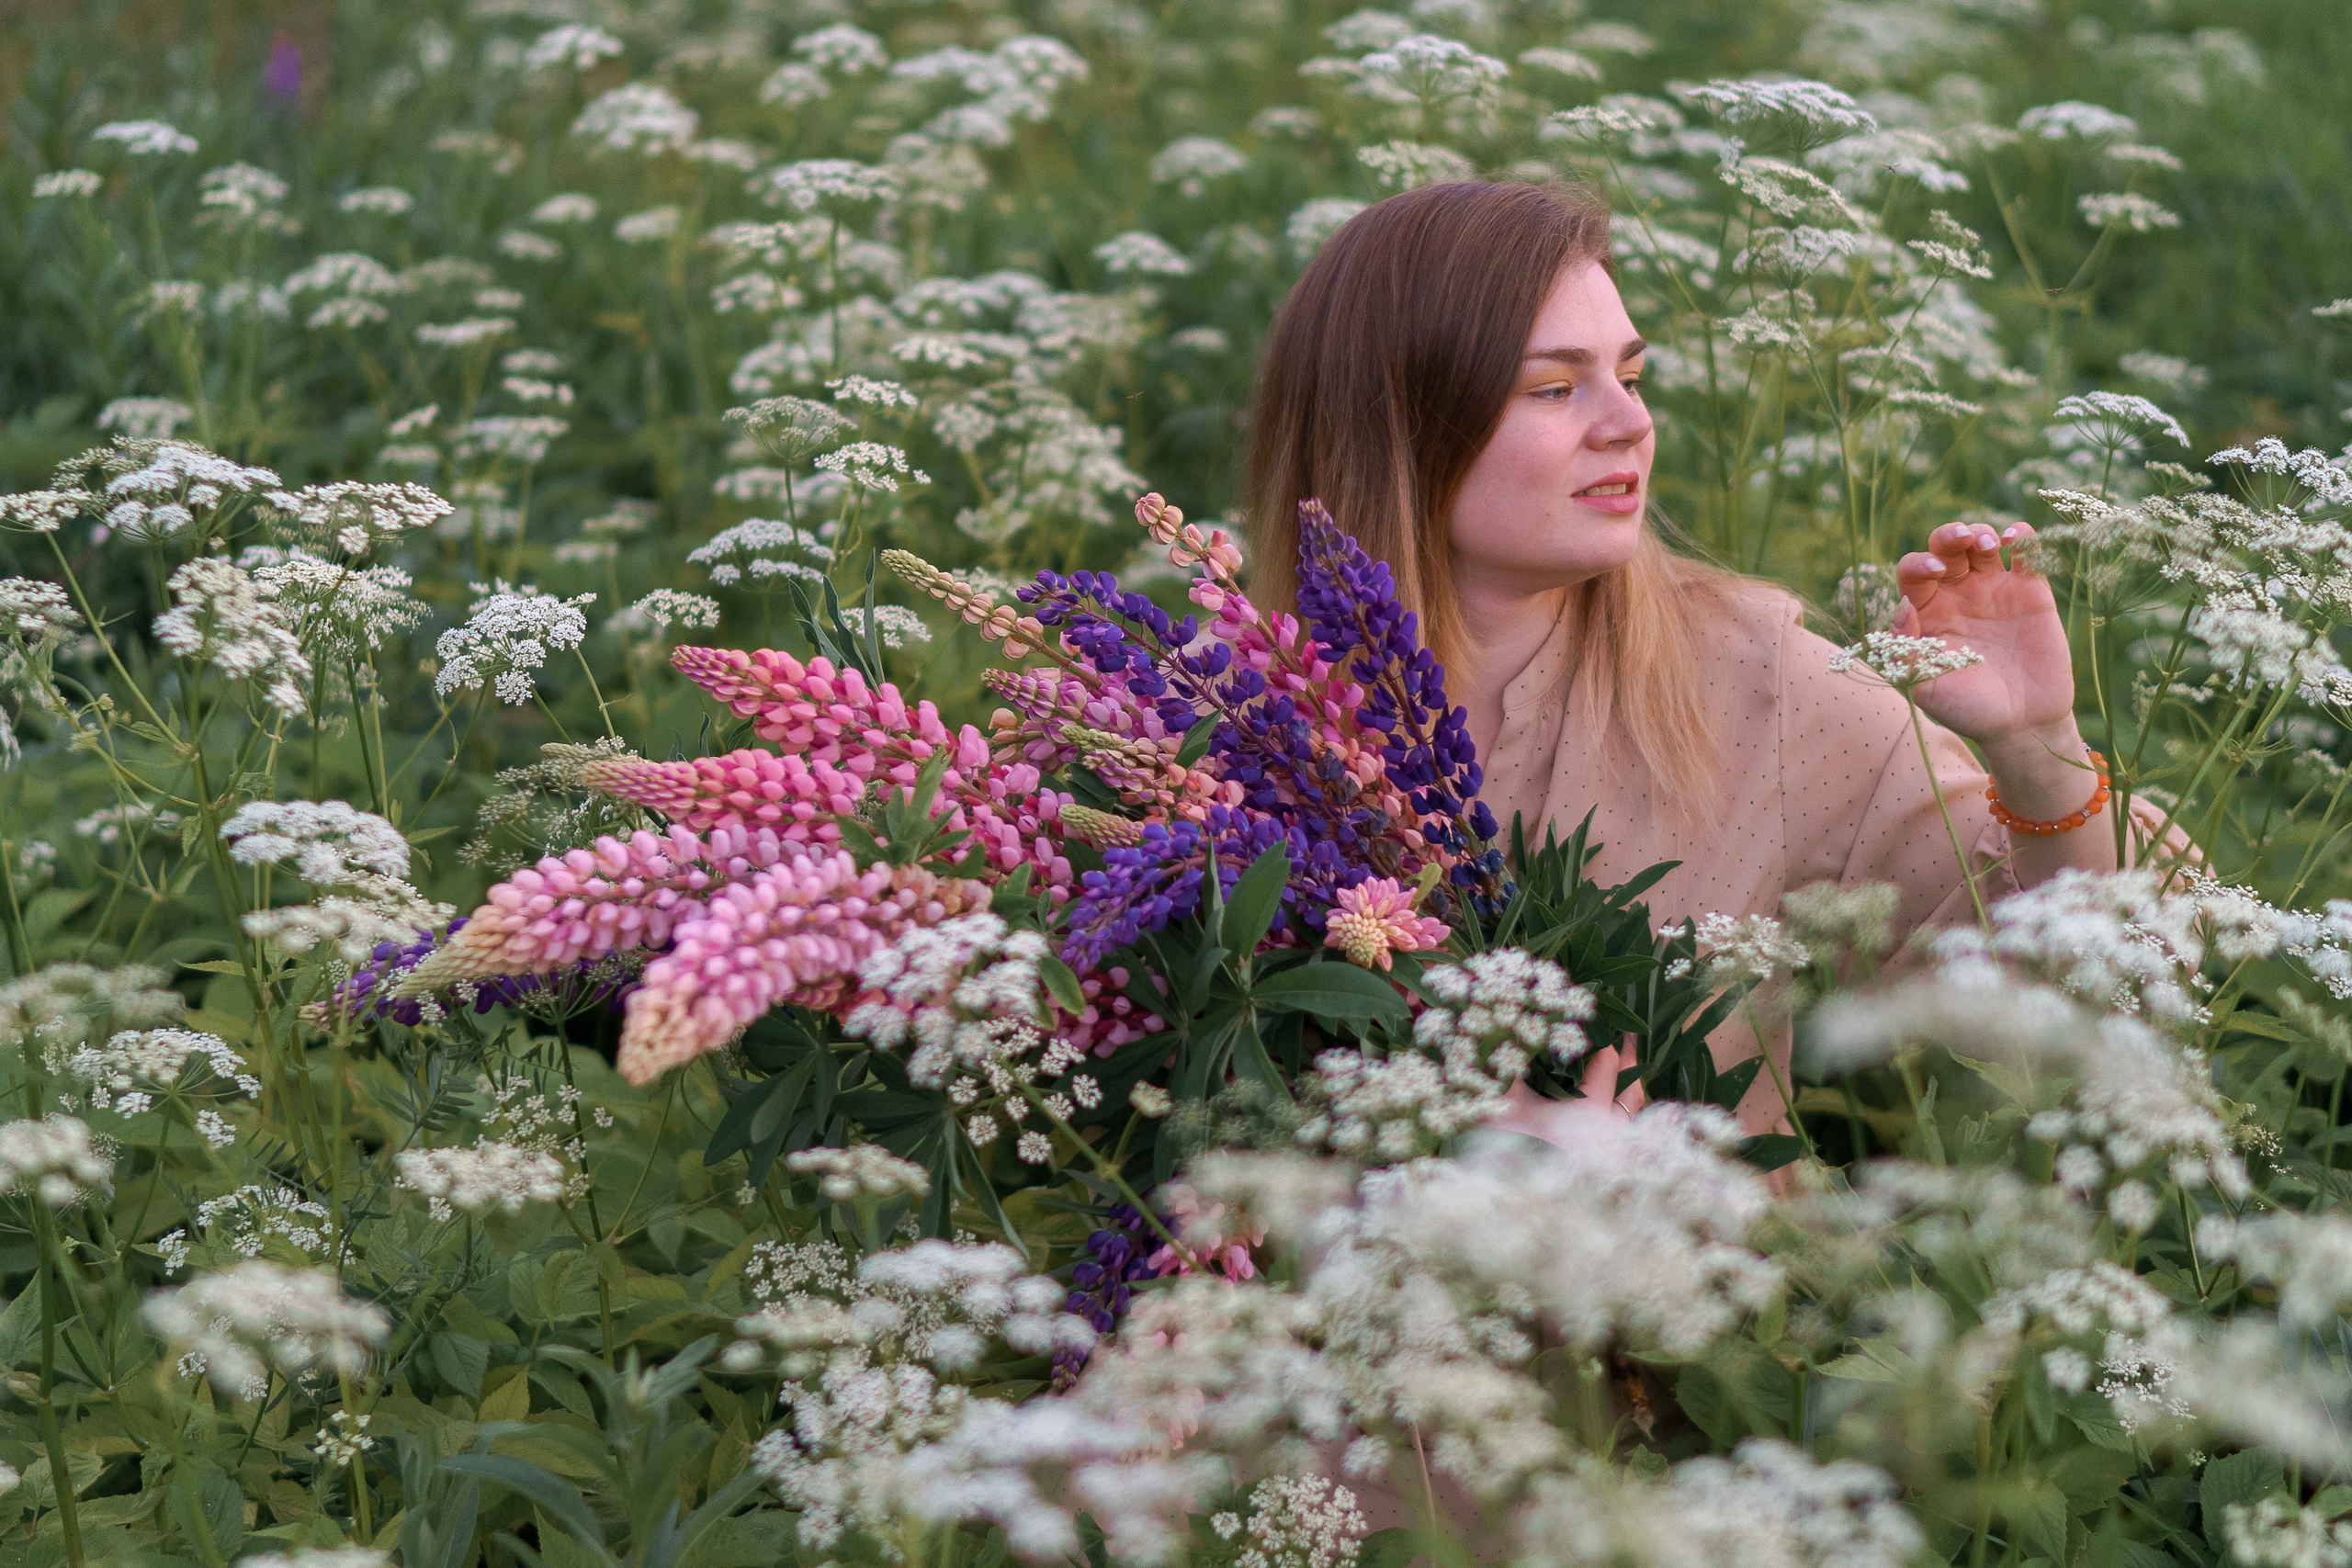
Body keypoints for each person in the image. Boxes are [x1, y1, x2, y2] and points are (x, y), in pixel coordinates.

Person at [1242, 179, 2175, 1130]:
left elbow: (2096, 979)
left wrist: (2036, 744)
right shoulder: (1216, 714)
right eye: (1556, 388)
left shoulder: (1752, 678)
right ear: (1399, 424)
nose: (1629, 423)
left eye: (1632, 378)